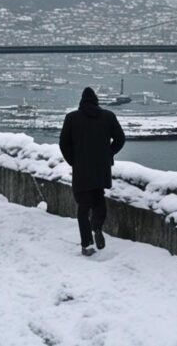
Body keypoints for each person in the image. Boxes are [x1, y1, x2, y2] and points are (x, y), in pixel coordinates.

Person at [59, 87, 126, 256]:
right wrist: (108, 153)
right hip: (101, 167)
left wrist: (73, 161)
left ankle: (87, 244)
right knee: (98, 198)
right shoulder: (108, 116)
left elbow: (63, 144)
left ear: (81, 102)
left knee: (83, 206)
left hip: (82, 168)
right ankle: (97, 225)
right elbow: (120, 139)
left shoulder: (72, 118)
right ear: (96, 101)